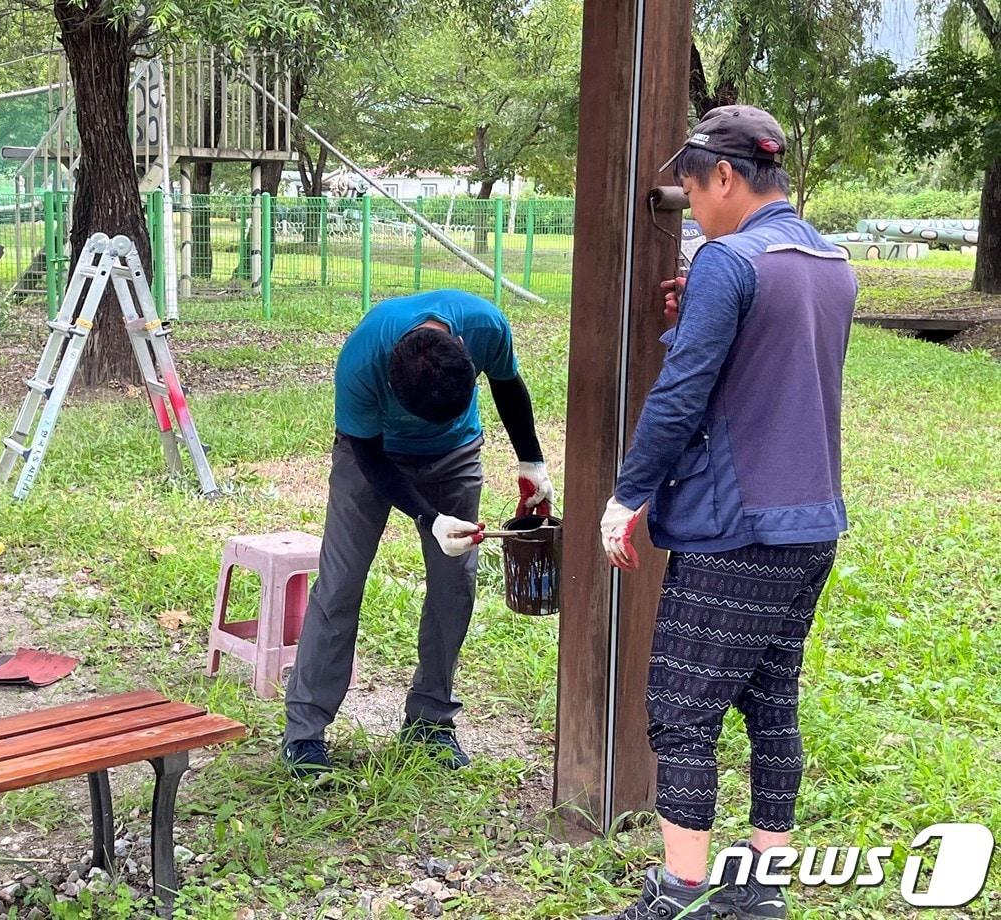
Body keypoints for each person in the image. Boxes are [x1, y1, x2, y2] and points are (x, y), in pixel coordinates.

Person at [590, 106, 856, 920]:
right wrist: (700, 305)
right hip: (815, 523)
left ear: (727, 178)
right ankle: (760, 894)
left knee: (681, 707)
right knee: (773, 706)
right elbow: (769, 365)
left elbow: (681, 396)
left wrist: (626, 495)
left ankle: (678, 893)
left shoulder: (728, 262)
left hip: (740, 530)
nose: (691, 207)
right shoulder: (831, 259)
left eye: (694, 190)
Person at [281, 288, 555, 774]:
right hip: (373, 455)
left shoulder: (486, 324)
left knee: (455, 586)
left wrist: (531, 461)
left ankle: (431, 719)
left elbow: (508, 383)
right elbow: (367, 457)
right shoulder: (362, 359)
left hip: (455, 455)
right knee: (340, 583)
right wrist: (429, 517)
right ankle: (305, 733)